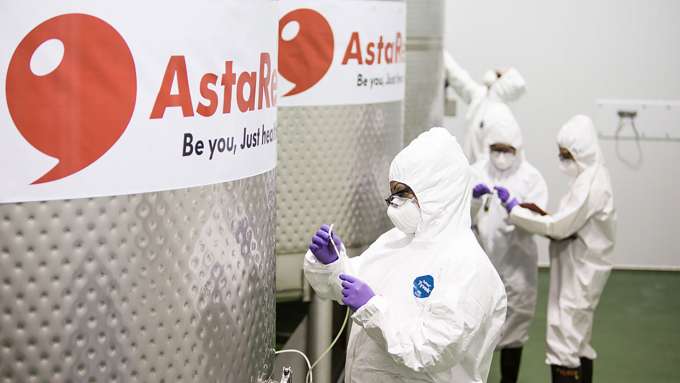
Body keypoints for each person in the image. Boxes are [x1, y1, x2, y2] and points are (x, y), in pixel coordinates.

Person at [304, 128, 507, 383]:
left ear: (437, 192)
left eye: (402, 193)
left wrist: (371, 309)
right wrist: (332, 265)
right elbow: (351, 286)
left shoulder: (468, 267)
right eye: (392, 195)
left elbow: (430, 350)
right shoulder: (396, 241)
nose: (393, 204)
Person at [496, 115, 616, 383]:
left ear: (582, 151)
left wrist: (514, 210)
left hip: (579, 273)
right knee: (578, 341)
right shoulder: (591, 175)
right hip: (579, 268)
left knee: (564, 342)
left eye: (567, 154)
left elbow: (559, 227)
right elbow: (568, 220)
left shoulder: (591, 185)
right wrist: (536, 212)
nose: (562, 159)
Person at [470, 103, 548, 383]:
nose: (501, 156)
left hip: (517, 264)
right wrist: (474, 200)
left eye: (507, 150)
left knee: (514, 331)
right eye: (496, 149)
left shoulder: (531, 177)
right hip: (480, 264)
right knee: (476, 328)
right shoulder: (476, 170)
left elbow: (539, 220)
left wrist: (515, 208)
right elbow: (459, 215)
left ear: (518, 147)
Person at [443, 50, 527, 164]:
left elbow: (499, 161)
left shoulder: (501, 116)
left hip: (482, 177)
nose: (493, 72)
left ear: (505, 84)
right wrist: (441, 52)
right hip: (473, 171)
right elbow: (460, 80)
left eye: (498, 74)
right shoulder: (482, 99)